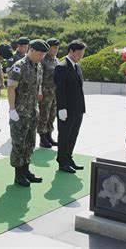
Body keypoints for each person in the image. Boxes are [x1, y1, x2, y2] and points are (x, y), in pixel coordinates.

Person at [8, 39, 48, 186]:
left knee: (30, 143)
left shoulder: (38, 66)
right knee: (19, 143)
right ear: (31, 50)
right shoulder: (19, 66)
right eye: (40, 54)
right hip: (20, 113)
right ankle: (18, 173)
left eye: (44, 54)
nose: (42, 57)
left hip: (32, 111)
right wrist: (12, 109)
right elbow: (11, 88)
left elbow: (37, 84)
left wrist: (38, 93)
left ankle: (26, 169)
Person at [54, 39, 86, 174]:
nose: (80, 56)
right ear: (71, 51)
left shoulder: (77, 66)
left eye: (82, 54)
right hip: (66, 109)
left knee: (73, 135)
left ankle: (69, 157)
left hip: (78, 108)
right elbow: (60, 89)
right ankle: (62, 161)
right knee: (64, 135)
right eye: (79, 54)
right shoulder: (62, 67)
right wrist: (61, 108)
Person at [38, 38, 60, 148]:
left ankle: (49, 135)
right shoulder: (42, 60)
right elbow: (39, 77)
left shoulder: (56, 60)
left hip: (54, 93)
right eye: (54, 47)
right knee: (44, 115)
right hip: (45, 93)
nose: (56, 49)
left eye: (57, 47)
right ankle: (42, 138)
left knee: (52, 115)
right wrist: (39, 91)